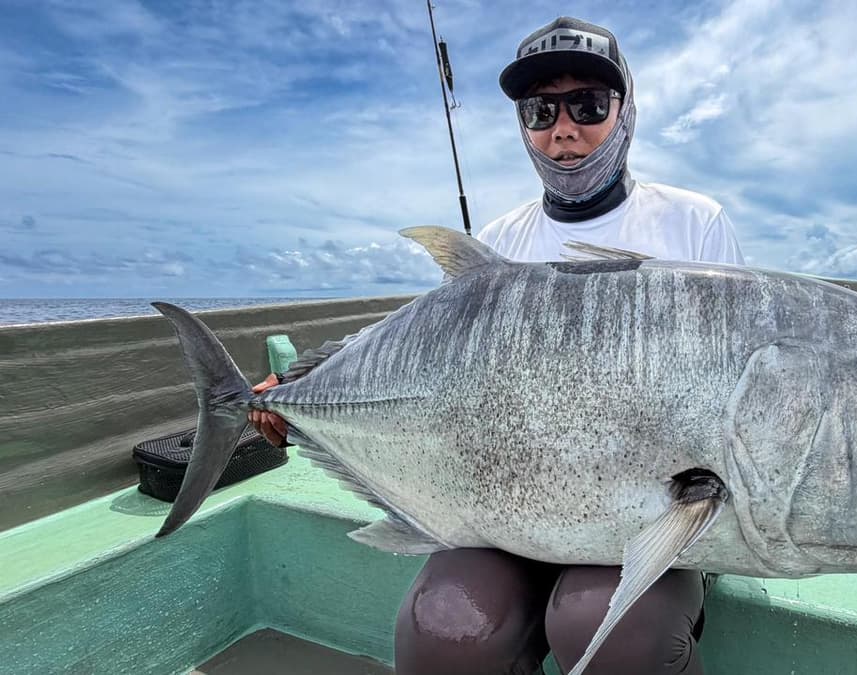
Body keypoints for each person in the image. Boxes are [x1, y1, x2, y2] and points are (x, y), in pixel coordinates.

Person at [250, 16, 743, 675]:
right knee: (442, 628)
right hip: (509, 512)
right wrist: (304, 395)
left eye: (588, 106)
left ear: (627, 112)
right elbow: (432, 373)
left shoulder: (694, 225)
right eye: (540, 110)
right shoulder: (499, 240)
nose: (562, 130)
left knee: (603, 622)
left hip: (658, 515)